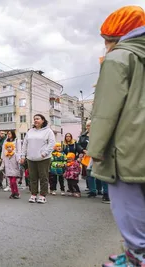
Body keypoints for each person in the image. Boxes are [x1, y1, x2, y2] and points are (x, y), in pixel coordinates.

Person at [87, 6, 145, 266]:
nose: (105, 45)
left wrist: (95, 150)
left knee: (127, 207)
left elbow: (105, 112)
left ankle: (137, 258)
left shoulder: (119, 58)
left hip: (127, 146)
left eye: (106, 39)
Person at [21, 114, 56, 204]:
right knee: (32, 177)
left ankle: (42, 195)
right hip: (31, 158)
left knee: (43, 177)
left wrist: (45, 153)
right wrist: (22, 156)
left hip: (43, 158)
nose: (35, 120)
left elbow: (52, 143)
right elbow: (25, 144)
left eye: (38, 119)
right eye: (34, 119)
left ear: (43, 120)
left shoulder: (48, 131)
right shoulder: (30, 131)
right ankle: (33, 194)